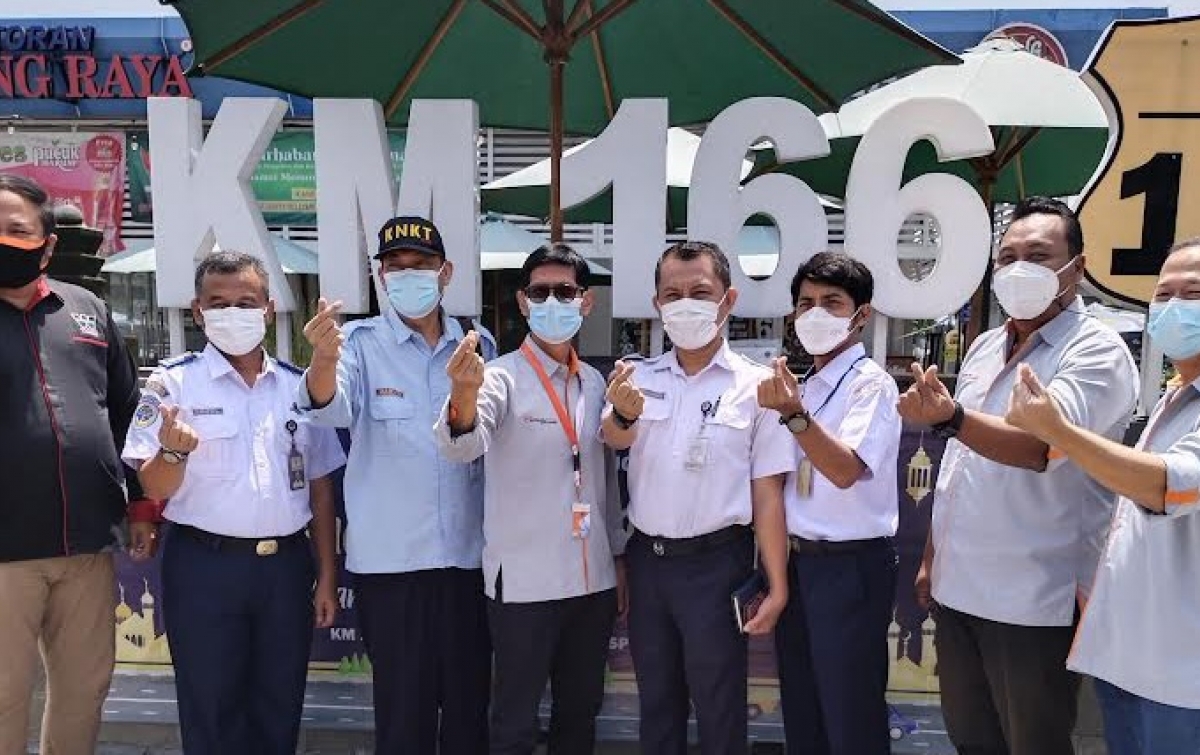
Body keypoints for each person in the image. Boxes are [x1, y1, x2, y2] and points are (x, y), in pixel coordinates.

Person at [898, 196, 1139, 754]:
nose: (1018, 268)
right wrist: (934, 556)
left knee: (1034, 743)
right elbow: (959, 465)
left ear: (1076, 269)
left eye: (1037, 255)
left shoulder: (1095, 352)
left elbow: (1040, 449)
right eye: (1007, 257)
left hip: (1035, 602)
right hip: (959, 592)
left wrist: (950, 418)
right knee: (972, 740)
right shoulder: (985, 346)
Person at [121, 251, 344, 755]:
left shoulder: (297, 386)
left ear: (268, 309)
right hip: (205, 566)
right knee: (210, 708)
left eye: (246, 302)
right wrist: (175, 449)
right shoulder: (173, 383)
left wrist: (327, 573)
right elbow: (153, 487)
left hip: (284, 569)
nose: (232, 313)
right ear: (197, 313)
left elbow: (321, 486)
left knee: (279, 704)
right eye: (218, 303)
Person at [299, 215, 496, 754]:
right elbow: (327, 407)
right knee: (402, 717)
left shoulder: (478, 346)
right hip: (391, 567)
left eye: (422, 265)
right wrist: (322, 356)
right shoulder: (358, 345)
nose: (408, 275)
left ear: (446, 271)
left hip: (466, 561)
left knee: (467, 712)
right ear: (381, 277)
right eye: (396, 267)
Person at [1006, 238, 1200, 755]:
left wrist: (1057, 431)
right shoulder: (1176, 394)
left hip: (1183, 677)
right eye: (1164, 294)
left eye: (1194, 292)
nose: (1175, 306)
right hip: (1131, 658)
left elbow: (1167, 486)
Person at [602, 240, 793, 755]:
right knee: (657, 704)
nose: (685, 303)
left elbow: (768, 494)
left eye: (700, 292)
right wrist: (621, 413)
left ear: (727, 300)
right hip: (650, 564)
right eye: (673, 293)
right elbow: (613, 437)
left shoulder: (757, 387)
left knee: (719, 706)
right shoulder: (636, 378)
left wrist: (777, 585)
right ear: (658, 304)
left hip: (718, 566)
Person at [436, 243, 625, 755]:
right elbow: (462, 447)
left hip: (591, 583)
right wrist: (462, 397)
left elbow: (604, 475)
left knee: (580, 714)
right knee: (515, 720)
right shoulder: (497, 378)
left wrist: (617, 560)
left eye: (565, 292)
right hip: (523, 586)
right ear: (522, 302)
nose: (552, 302)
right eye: (540, 292)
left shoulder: (595, 382)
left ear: (585, 303)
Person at [0, 174, 148, 755]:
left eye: (17, 230)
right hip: (5, 551)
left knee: (86, 688)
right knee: (5, 694)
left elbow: (128, 416)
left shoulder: (86, 309)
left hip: (88, 542)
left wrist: (141, 504)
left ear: (47, 243)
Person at [757, 251, 901, 754]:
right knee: (805, 709)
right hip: (800, 565)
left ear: (861, 314)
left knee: (851, 713)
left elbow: (843, 470)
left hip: (851, 568)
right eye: (806, 303)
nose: (815, 314)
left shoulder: (872, 386)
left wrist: (794, 414)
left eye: (831, 303)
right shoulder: (808, 386)